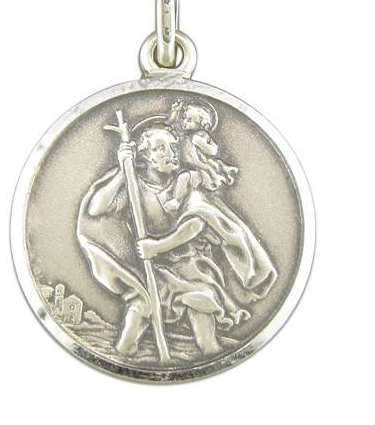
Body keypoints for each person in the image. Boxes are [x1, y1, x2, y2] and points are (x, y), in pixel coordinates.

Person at [77, 122, 276, 359]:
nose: (170, 153)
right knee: (139, 311)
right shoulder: (134, 186)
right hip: (150, 269)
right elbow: (96, 209)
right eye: (160, 148)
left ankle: (210, 351)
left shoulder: (186, 184)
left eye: (172, 147)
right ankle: (125, 353)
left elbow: (195, 224)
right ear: (145, 156)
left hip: (189, 265)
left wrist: (157, 246)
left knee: (202, 303)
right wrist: (123, 171)